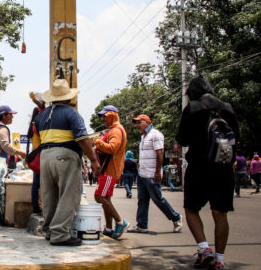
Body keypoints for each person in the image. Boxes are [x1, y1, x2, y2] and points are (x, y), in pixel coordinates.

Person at [174, 75, 239, 270]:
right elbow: (237, 137)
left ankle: (204, 249)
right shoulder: (228, 107)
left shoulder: (192, 108)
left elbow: (182, 140)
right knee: (220, 212)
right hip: (224, 167)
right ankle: (219, 260)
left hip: (199, 168)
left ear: (193, 92)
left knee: (191, 208)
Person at [32, 79, 99, 246]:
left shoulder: (41, 116)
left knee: (49, 195)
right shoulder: (71, 113)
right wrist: (94, 161)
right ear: (68, 98)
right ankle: (60, 233)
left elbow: (40, 137)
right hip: (65, 155)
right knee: (68, 195)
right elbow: (83, 139)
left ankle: (49, 230)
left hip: (45, 156)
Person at [128, 114, 182, 234]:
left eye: (138, 122)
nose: (137, 125)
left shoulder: (156, 134)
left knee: (158, 199)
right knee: (142, 200)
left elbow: (159, 153)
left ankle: (176, 218)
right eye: (136, 123)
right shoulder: (143, 136)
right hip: (142, 173)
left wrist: (158, 171)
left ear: (146, 122)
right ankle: (141, 225)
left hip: (152, 173)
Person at [93, 105, 129, 240]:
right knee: (105, 198)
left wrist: (97, 141)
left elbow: (112, 148)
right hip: (107, 169)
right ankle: (108, 228)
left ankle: (120, 222)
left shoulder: (116, 131)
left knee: (99, 197)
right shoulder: (113, 130)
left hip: (110, 169)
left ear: (112, 115)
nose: (103, 119)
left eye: (105, 116)